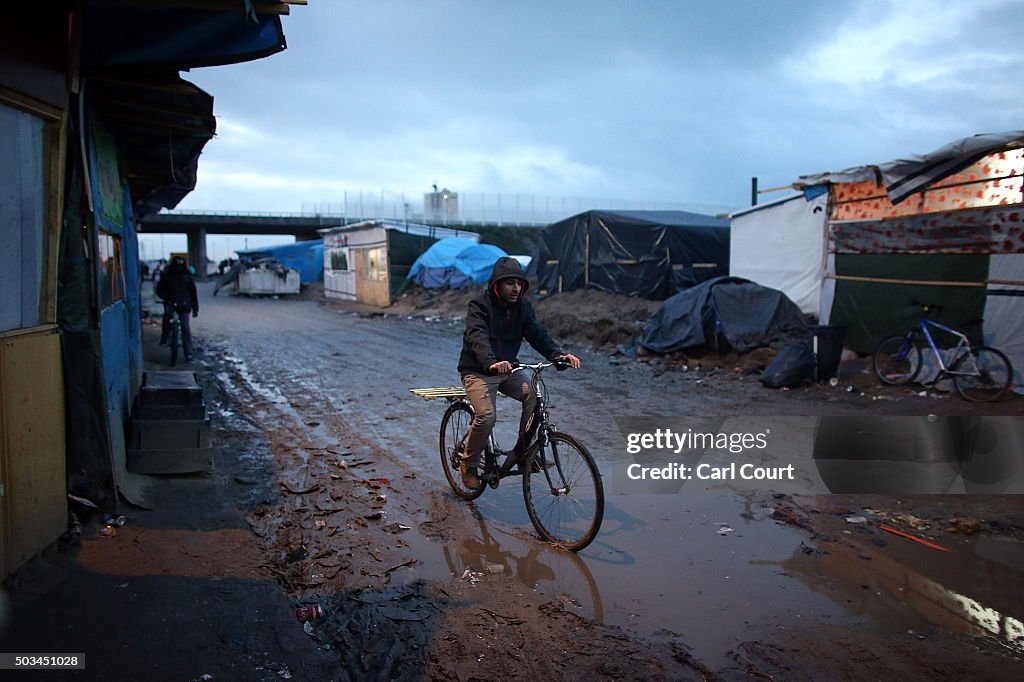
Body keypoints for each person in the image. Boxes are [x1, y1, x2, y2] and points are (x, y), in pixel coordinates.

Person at [457, 256, 580, 489]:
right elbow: (477, 337)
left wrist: (557, 356)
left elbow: (537, 333)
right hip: (478, 371)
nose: (515, 288)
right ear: (497, 284)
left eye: (519, 283)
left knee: (533, 399)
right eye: (509, 283)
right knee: (486, 416)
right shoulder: (479, 306)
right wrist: (491, 363)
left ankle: (521, 453)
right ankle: (468, 464)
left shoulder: (522, 307)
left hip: (508, 369)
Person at [156, 255, 199, 362]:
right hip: (171, 304)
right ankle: (165, 338)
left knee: (185, 329)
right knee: (167, 319)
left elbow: (193, 292)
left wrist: (195, 307)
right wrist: (167, 298)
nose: (179, 268)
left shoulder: (188, 276)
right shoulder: (167, 275)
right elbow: (159, 290)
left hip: (184, 305)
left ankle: (188, 354)